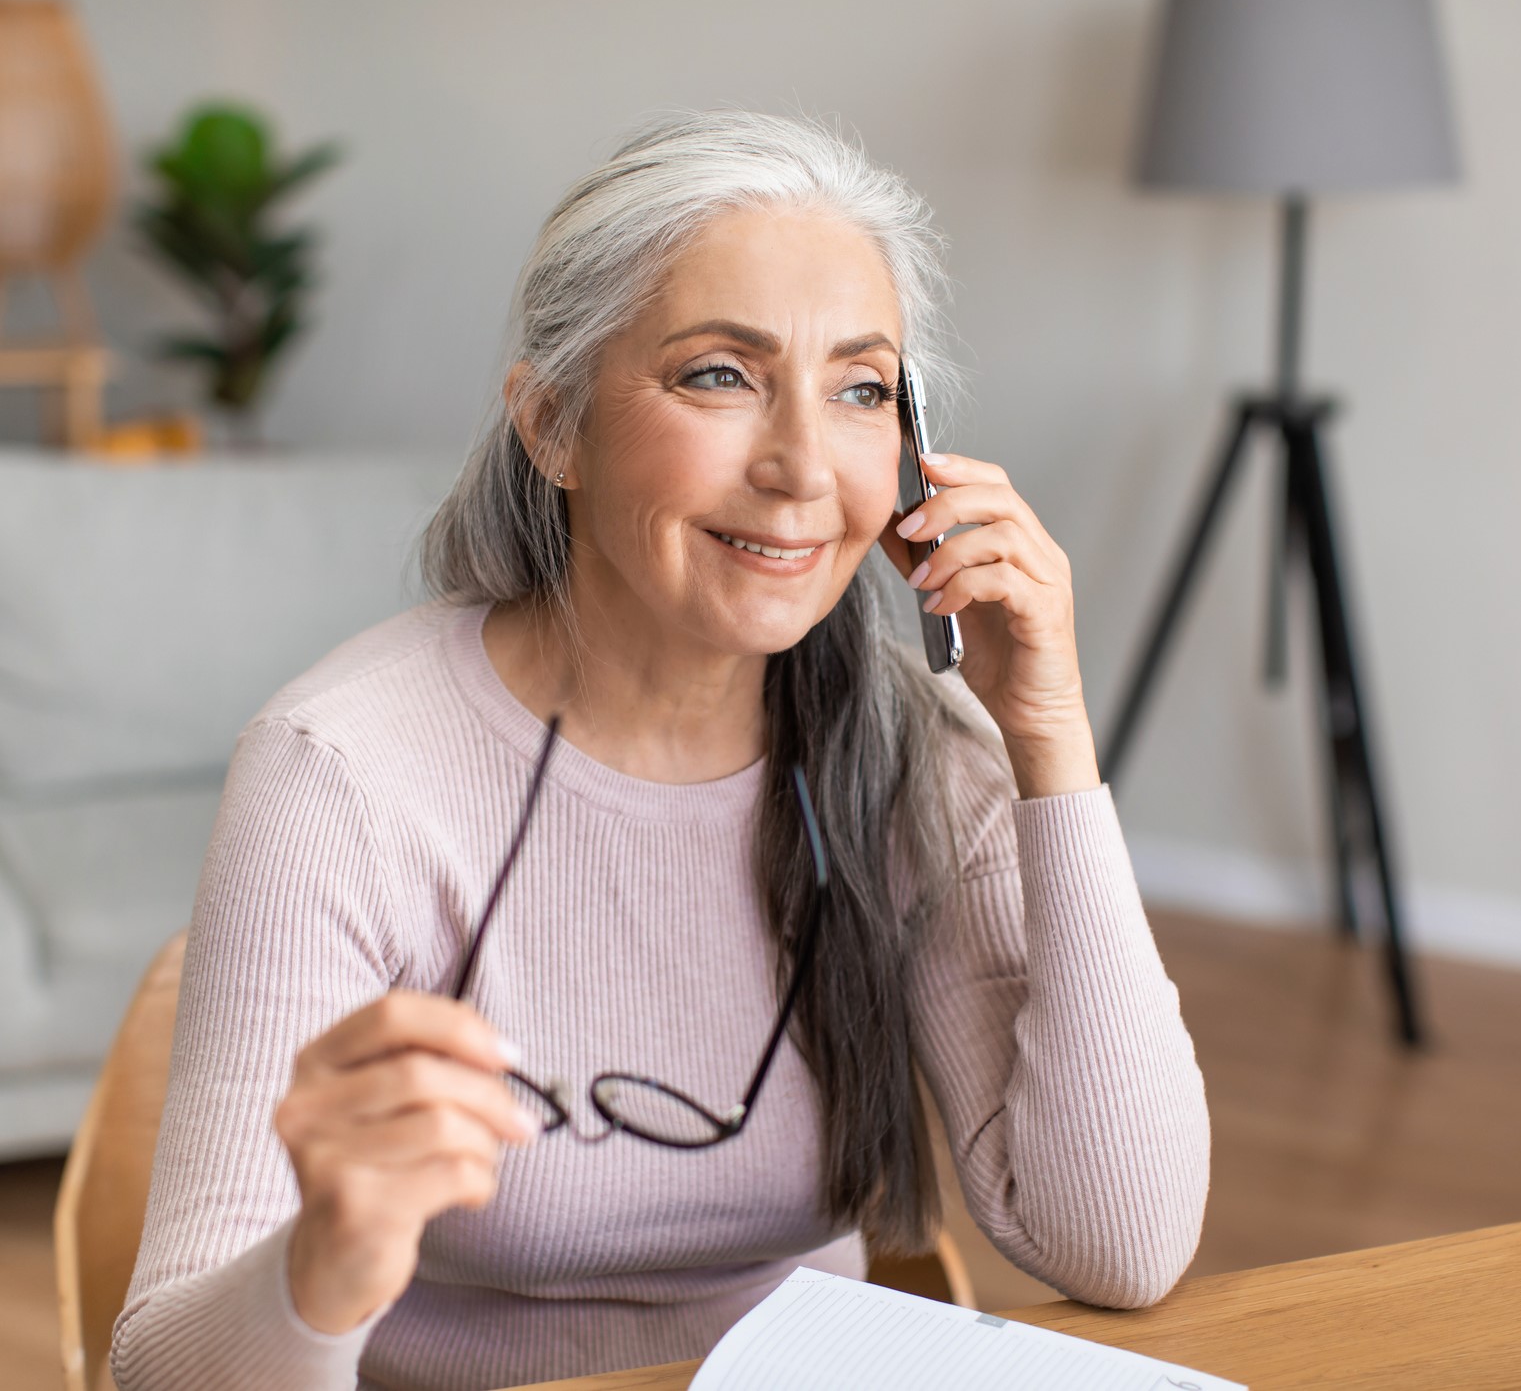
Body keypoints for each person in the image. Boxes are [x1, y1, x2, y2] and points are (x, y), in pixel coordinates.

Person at [112, 110, 1210, 1391]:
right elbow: (164, 1372)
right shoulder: (341, 773)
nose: (803, 466)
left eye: (860, 388)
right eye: (719, 376)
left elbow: (1122, 1244)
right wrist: (322, 1263)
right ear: (553, 425)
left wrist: (1051, 744)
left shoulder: (916, 750)